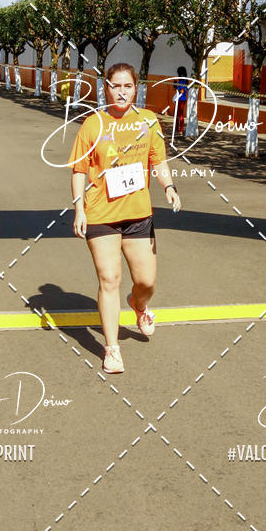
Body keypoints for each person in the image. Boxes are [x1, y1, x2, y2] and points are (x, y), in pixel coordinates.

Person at [69, 62, 181, 374]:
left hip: (138, 215)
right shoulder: (94, 124)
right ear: (106, 88)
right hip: (100, 213)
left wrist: (169, 186)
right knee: (109, 279)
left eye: (127, 86)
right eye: (115, 86)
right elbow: (79, 170)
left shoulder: (148, 120)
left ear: (136, 88)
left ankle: (139, 304)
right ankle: (112, 348)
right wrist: (79, 208)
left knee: (146, 281)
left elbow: (158, 159)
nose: (121, 92)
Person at [173, 65, 188, 136]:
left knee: (180, 115)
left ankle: (180, 130)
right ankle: (177, 129)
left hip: (181, 99)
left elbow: (182, 91)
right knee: (177, 115)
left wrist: (176, 86)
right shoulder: (182, 80)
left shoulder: (183, 80)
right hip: (180, 99)